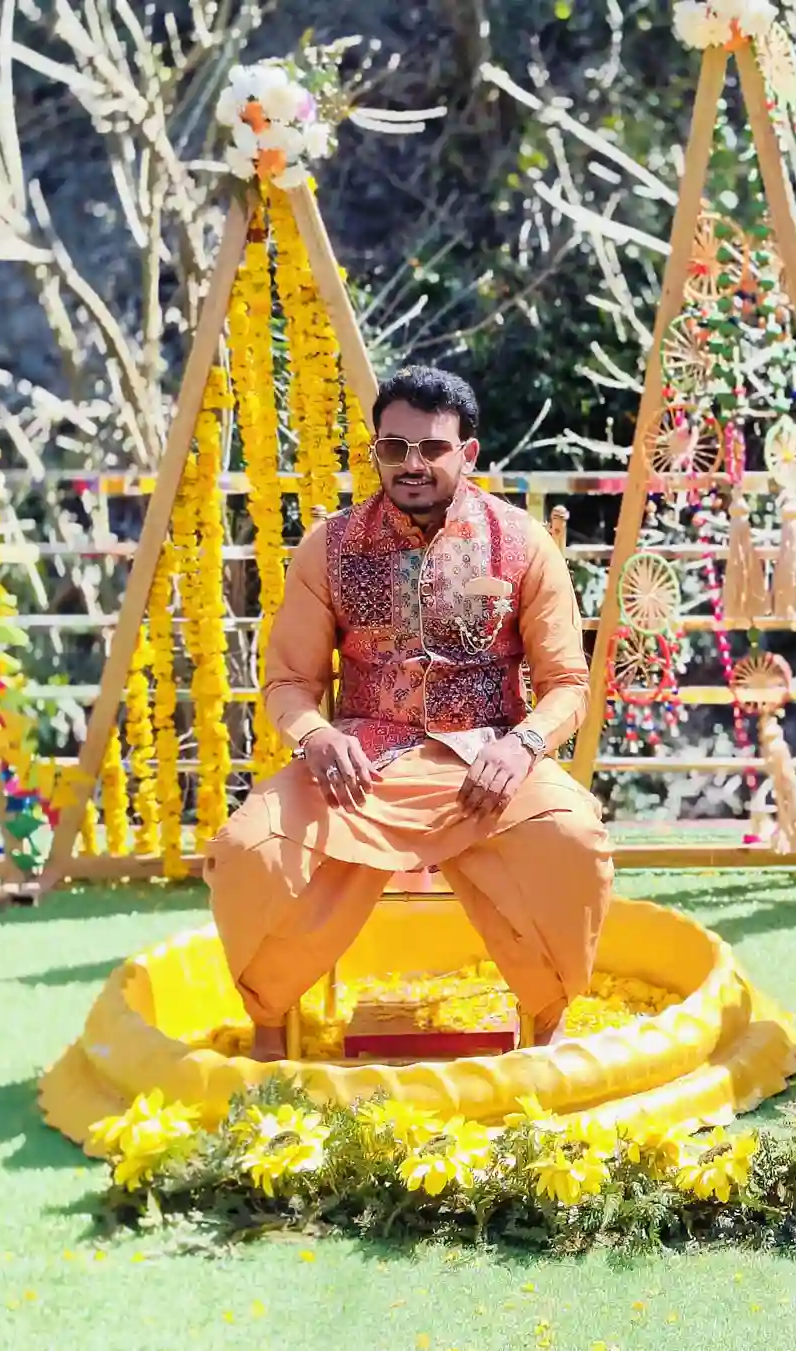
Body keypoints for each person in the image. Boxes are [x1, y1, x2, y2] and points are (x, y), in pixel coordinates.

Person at [204, 365, 613, 1059]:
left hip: (488, 766)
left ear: (468, 453)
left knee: (576, 843)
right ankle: (270, 1030)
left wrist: (522, 746)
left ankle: (546, 1024)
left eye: (431, 448)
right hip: (360, 769)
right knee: (247, 851)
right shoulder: (329, 546)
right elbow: (288, 683)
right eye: (393, 449)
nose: (411, 465)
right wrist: (315, 736)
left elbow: (568, 682)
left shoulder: (521, 542)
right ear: (376, 451)